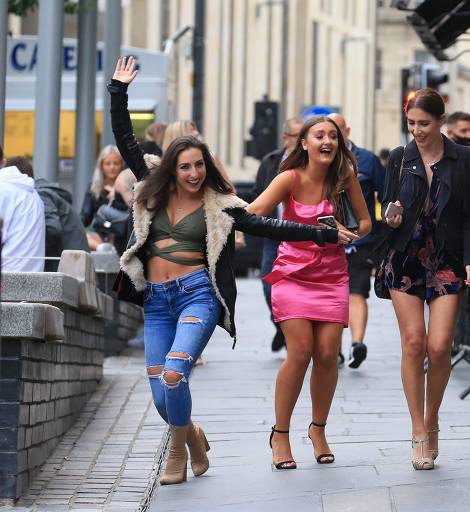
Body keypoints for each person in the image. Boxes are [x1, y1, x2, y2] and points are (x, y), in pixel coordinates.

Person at [109, 56, 339, 485]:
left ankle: (176, 451)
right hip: (157, 301)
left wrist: (322, 235)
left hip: (198, 293)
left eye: (200, 165)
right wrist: (118, 92)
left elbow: (269, 224)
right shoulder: (152, 187)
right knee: (161, 393)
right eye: (185, 166)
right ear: (172, 169)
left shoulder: (221, 206)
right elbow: (125, 139)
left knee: (176, 374)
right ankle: (192, 434)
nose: (194, 173)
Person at [246, 115, 370, 470]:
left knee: (328, 354)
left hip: (332, 276)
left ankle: (318, 430)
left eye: (333, 136)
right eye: (319, 135)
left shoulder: (344, 180)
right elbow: (254, 214)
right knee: (299, 352)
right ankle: (280, 434)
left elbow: (365, 222)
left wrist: (349, 232)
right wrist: (290, 230)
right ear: (304, 143)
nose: (327, 141)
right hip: (292, 274)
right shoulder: (289, 178)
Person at [380, 89, 470, 470]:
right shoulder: (399, 158)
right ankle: (418, 430)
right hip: (404, 258)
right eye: (411, 124)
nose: (417, 131)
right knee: (413, 343)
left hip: (446, 260)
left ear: (441, 121)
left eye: (424, 123)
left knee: (439, 347)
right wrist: (390, 217)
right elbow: (389, 207)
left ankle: (433, 418)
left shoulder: (462, 159)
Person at [328, 112, 386, 369]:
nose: (332, 138)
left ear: (347, 131)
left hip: (361, 239)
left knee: (357, 291)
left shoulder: (367, 160)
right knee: (334, 294)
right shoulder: (321, 160)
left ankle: (356, 344)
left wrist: (382, 234)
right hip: (328, 240)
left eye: (336, 132)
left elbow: (386, 196)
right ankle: (335, 348)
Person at [253, 116, 303, 352]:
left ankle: (297, 332)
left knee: (301, 290)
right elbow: (257, 195)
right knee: (268, 286)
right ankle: (282, 326)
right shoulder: (271, 161)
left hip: (303, 239)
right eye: (297, 136)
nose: (302, 140)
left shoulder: (312, 164)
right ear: (286, 138)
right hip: (274, 235)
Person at [8, 156, 88, 271]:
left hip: (67, 268)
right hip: (73, 264)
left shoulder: (41, 195)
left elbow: (52, 229)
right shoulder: (43, 192)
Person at [0, 150, 45, 272]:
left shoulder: (3, 189)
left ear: (5, 163)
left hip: (7, 279)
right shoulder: (34, 194)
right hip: (33, 280)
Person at [81, 145, 128, 250]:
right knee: (82, 237)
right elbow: (85, 217)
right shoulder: (94, 187)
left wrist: (118, 194)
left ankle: (107, 248)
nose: (112, 167)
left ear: (122, 165)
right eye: (108, 164)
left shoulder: (128, 187)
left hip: (122, 235)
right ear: (101, 166)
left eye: (116, 163)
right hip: (100, 236)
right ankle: (103, 248)